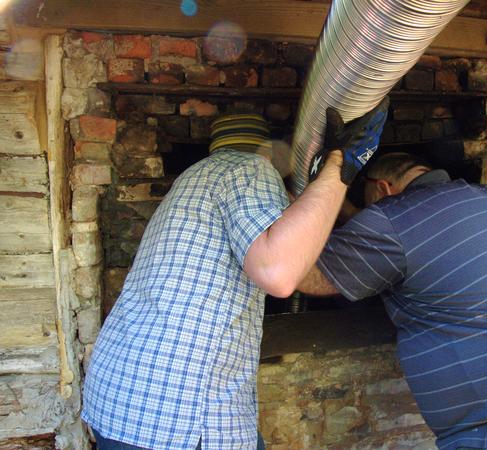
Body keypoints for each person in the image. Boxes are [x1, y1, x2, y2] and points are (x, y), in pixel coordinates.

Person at [81, 102, 389, 450]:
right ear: (267, 150)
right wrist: (339, 166)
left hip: (123, 397)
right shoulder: (250, 170)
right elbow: (280, 272)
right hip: (176, 413)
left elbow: (291, 226)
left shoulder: (196, 179)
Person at [299, 151, 487, 449]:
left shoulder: (390, 220)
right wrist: (350, 210)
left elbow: (304, 275)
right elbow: (391, 243)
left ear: (382, 188)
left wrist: (287, 213)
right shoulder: (484, 197)